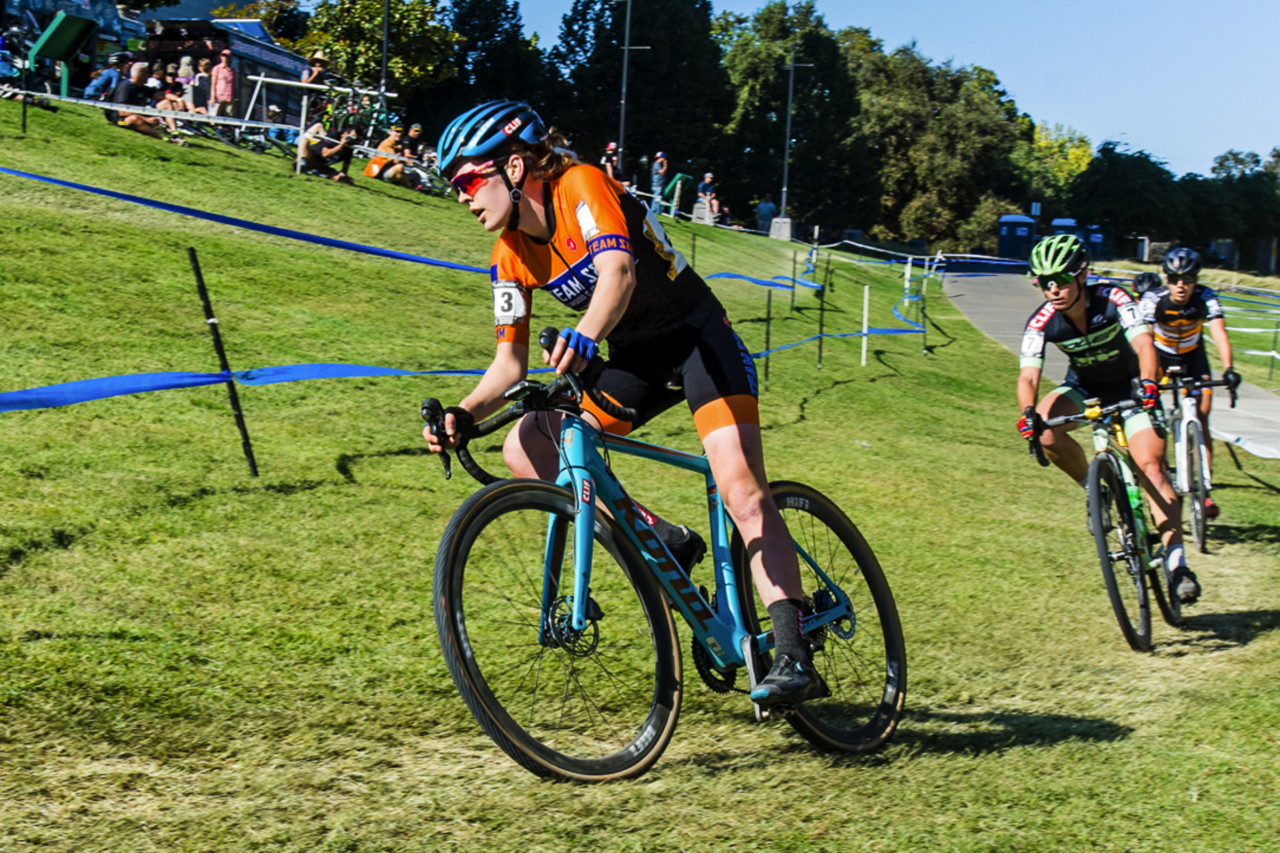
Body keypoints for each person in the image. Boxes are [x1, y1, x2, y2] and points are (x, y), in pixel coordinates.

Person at [424, 101, 825, 705]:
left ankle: (794, 650)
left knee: (740, 486)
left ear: (512, 167)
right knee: (526, 440)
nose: (460, 196)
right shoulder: (508, 253)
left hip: (697, 340)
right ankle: (663, 536)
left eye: (466, 180)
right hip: (637, 359)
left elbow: (618, 273)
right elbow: (507, 364)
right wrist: (461, 413)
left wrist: (584, 336)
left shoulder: (580, 185)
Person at [1016, 234, 1199, 604]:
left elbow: (1145, 344)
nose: (1053, 290)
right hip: (1085, 388)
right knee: (1046, 429)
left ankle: (1177, 564)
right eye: (1044, 282)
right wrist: (1027, 415)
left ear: (1082, 276)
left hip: (1133, 389)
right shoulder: (1042, 321)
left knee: (1151, 467)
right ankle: (1094, 489)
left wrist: (1149, 385)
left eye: (1061, 280)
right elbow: (1028, 376)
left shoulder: (1113, 299)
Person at [1139, 247, 1240, 518]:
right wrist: (1146, 378)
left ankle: (1204, 490)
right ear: (1166, 279)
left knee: (1202, 415)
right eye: (1174, 279)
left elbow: (1219, 331)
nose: (1181, 285)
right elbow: (1144, 340)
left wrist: (1229, 369)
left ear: (1196, 279)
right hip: (1160, 356)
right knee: (1148, 412)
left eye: (1187, 279)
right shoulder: (1153, 299)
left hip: (1193, 357)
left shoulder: (1206, 297)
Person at [104, 61, 186, 145]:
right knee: (134, 119)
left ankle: (175, 134)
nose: (149, 76)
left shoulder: (142, 87)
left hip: (140, 116)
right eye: (147, 73)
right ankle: (165, 139)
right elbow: (122, 111)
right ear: (142, 74)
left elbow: (163, 95)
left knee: (166, 102)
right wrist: (146, 119)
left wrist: (179, 100)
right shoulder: (125, 87)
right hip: (122, 119)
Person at [210, 49, 235, 117]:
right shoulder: (216, 68)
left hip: (230, 98)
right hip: (219, 97)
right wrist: (212, 97)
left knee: (229, 117)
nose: (225, 58)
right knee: (217, 116)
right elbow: (213, 84)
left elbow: (234, 84)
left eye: (227, 56)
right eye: (223, 56)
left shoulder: (233, 70)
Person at [650, 150, 668, 215]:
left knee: (657, 199)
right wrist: (665, 165)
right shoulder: (657, 164)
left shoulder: (657, 164)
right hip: (657, 185)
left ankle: (656, 212)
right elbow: (662, 172)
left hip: (658, 185)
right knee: (656, 199)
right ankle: (655, 213)